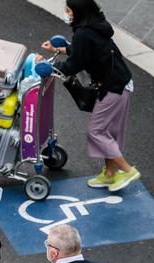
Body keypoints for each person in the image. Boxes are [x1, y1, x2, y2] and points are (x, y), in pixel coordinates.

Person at [38, 0, 140, 192]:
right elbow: (85, 52)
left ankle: (127, 170)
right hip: (119, 82)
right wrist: (60, 50)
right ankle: (110, 174)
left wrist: (48, 66)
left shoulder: (83, 33)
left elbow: (73, 65)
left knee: (97, 131)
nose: (67, 13)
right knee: (108, 131)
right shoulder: (94, 26)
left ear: (79, 11)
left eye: (69, 10)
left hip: (114, 86)